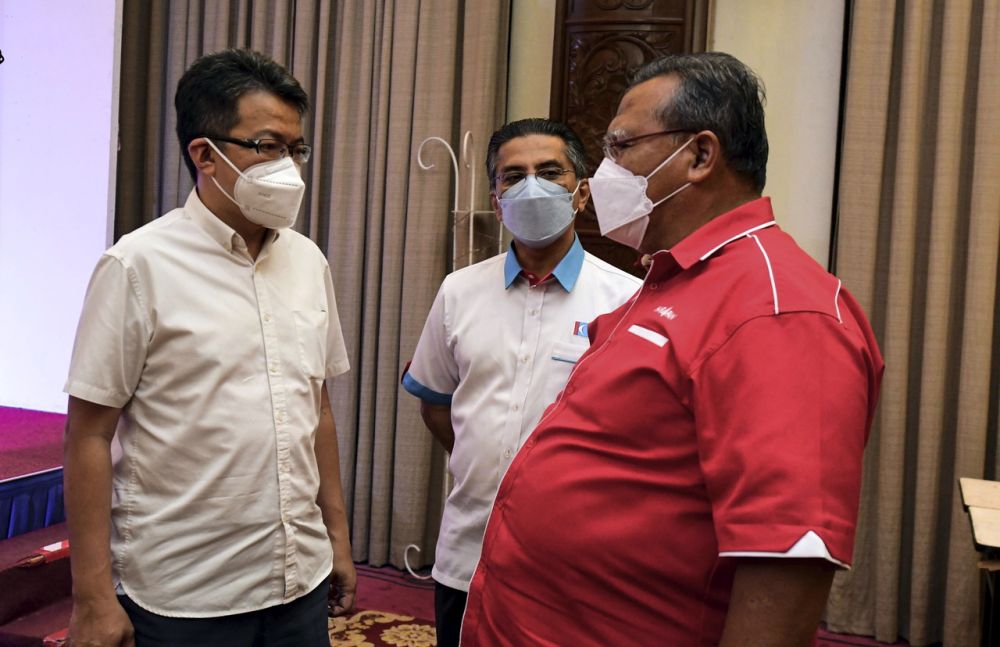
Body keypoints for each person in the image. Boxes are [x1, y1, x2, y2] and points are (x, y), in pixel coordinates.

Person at [460, 53, 885, 646]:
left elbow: (785, 564)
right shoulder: (671, 277)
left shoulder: (779, 308)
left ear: (699, 156)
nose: (604, 170)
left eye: (621, 146)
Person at [63, 48, 354, 646]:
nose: (290, 167)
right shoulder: (137, 266)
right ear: (206, 154)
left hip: (297, 578)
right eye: (269, 146)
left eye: (296, 149)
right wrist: (92, 595)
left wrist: (338, 540)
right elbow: (89, 435)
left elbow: (315, 408)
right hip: (184, 593)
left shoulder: (306, 260)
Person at [401, 118, 641, 647]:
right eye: (514, 176)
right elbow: (438, 404)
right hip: (468, 552)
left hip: (573, 566)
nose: (531, 186)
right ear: (496, 198)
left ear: (580, 194)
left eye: (549, 172)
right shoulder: (459, 291)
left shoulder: (627, 301)